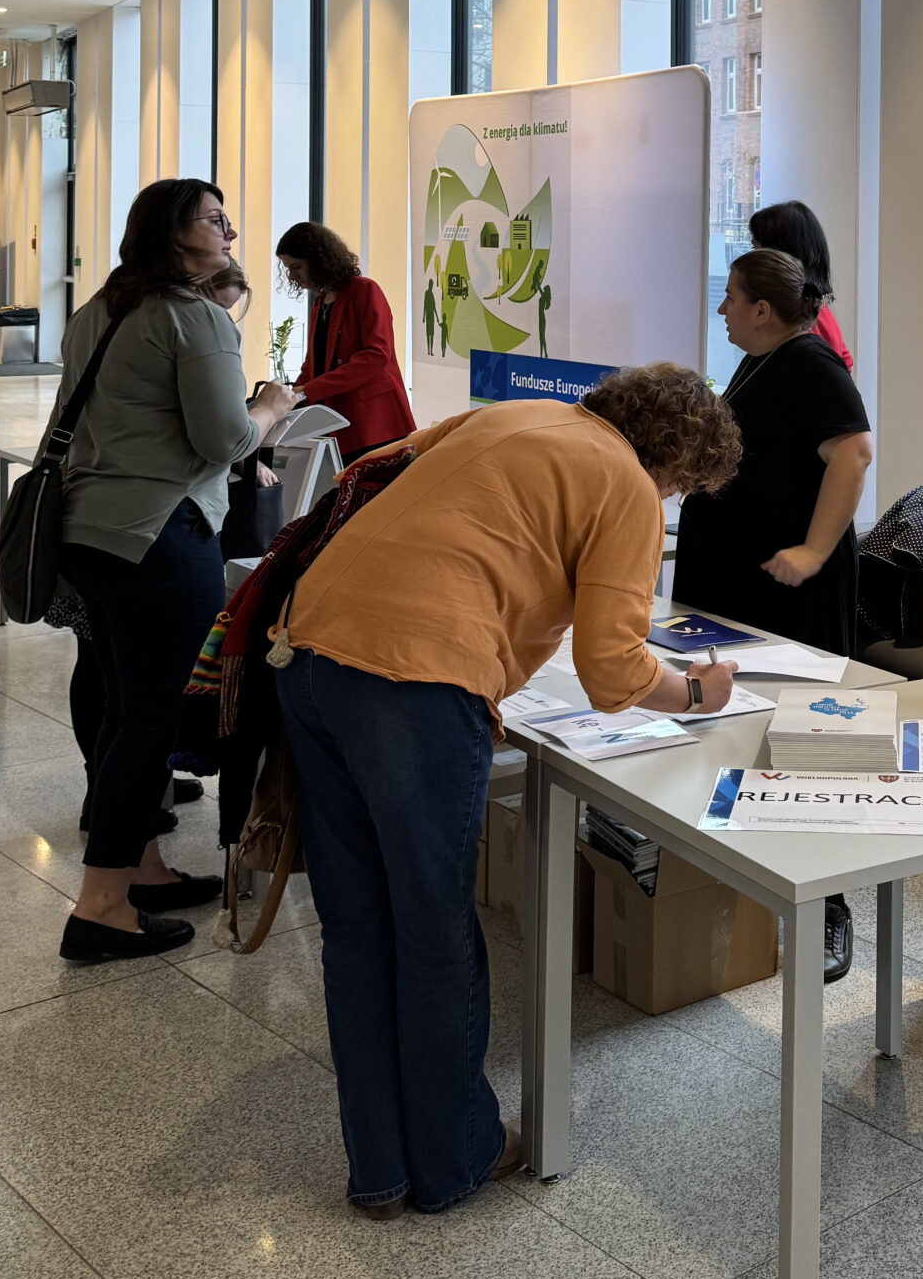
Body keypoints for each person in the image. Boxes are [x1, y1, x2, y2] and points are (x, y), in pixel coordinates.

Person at [274, 363, 742, 1219]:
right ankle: (455, 1158)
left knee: (358, 924)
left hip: (309, 650)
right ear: (676, 460)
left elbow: (376, 470)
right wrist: (695, 692)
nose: (672, 500)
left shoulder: (517, 415)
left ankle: (379, 1171)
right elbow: (612, 669)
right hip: (415, 682)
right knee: (433, 931)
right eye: (681, 486)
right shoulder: (627, 484)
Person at [55, 182, 296, 963]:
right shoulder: (196, 317)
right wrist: (272, 407)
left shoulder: (100, 309)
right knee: (152, 717)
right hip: (160, 534)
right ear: (173, 232)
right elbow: (225, 440)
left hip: (88, 531)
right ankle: (101, 907)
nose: (230, 231)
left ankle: (141, 870)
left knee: (123, 706)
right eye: (214, 219)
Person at [672, 247, 874, 982]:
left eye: (730, 297)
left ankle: (829, 908)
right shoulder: (760, 361)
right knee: (748, 735)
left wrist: (814, 551)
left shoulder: (811, 362)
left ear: (763, 309)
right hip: (743, 582)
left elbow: (854, 454)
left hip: (790, 589)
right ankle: (755, 880)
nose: (721, 309)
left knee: (806, 743)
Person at [275, 220, 416, 455]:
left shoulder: (365, 290)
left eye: (296, 267)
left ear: (317, 260)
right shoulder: (320, 303)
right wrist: (292, 394)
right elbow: (312, 365)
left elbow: (376, 356)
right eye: (288, 269)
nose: (292, 276)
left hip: (375, 422)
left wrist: (307, 389)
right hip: (338, 421)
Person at [750, 199, 852, 370]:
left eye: (756, 250)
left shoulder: (801, 323)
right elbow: (845, 361)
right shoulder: (817, 310)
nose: (752, 261)